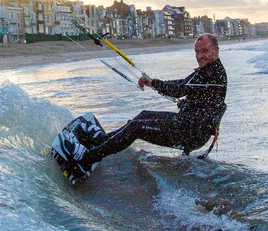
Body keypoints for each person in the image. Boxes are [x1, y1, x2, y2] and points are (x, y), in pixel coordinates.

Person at [61, 33, 227, 177]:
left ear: (216, 50)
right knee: (143, 115)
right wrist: (184, 102)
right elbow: (185, 84)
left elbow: (178, 89)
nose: (200, 56)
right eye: (197, 52)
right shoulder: (207, 71)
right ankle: (102, 140)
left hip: (190, 133)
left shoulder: (212, 72)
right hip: (189, 124)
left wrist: (152, 82)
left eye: (205, 51)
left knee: (137, 128)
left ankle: (89, 158)